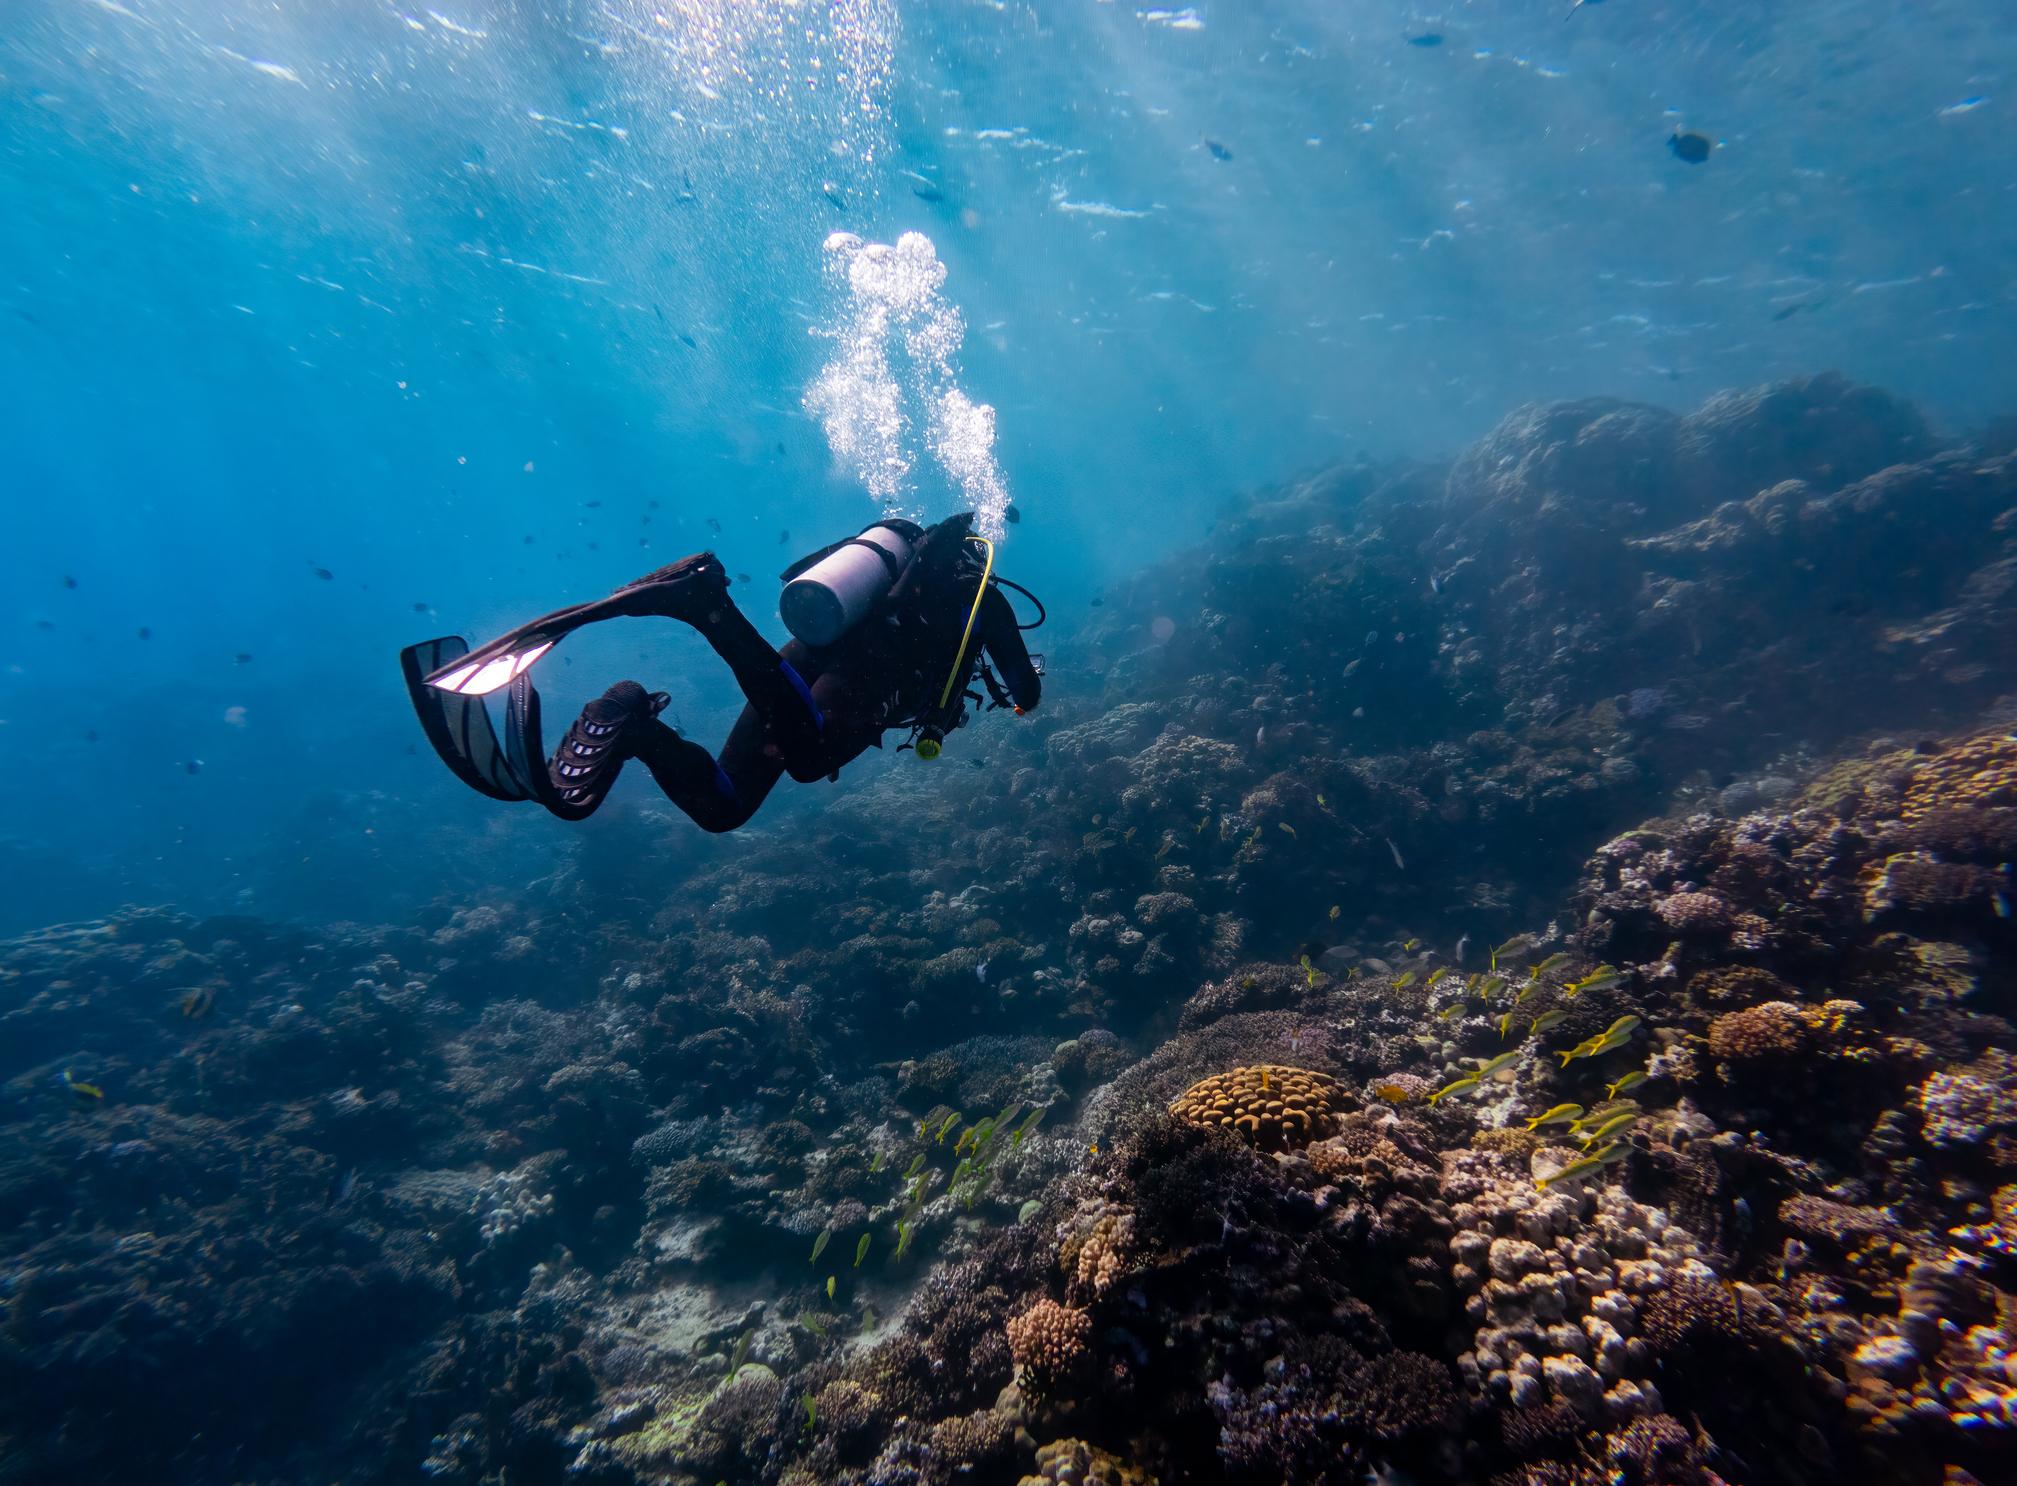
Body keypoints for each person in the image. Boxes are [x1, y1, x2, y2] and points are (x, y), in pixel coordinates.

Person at [401, 513, 1042, 831]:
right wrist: (1023, 693)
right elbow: (1024, 689)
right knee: (810, 758)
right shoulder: (983, 596)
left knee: (725, 809)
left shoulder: (891, 574)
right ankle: (707, 606)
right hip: (854, 683)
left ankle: (633, 723)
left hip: (797, 661)